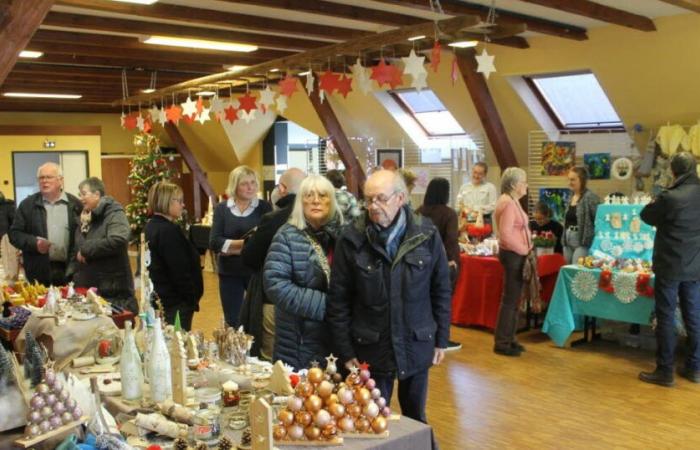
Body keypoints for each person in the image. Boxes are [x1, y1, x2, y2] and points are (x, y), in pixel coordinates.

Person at [326, 170, 451, 437]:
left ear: (401, 198)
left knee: (415, 420)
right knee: (371, 423)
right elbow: (338, 300)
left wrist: (442, 338)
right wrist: (346, 352)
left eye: (381, 199)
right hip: (370, 347)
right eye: (368, 200)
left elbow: (440, 289)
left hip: (416, 341)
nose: (373, 207)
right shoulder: (351, 238)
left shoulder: (427, 234)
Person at [263, 175, 344, 370]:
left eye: (323, 195)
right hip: (298, 339)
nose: (316, 200)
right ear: (301, 201)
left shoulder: (343, 235)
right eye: (309, 195)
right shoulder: (286, 235)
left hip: (336, 337)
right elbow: (276, 285)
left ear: (332, 201)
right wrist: (326, 305)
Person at [639, 152, 700, 387]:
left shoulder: (670, 197)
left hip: (670, 265)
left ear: (673, 171)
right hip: (695, 266)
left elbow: (646, 215)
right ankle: (694, 367)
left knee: (665, 317)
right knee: (694, 316)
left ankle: (665, 371)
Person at [240, 168, 306, 360]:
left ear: (282, 189)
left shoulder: (275, 219)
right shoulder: (319, 218)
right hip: (311, 302)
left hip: (275, 300)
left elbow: (250, 258)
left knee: (273, 361)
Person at [210, 166, 271, 327]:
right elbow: (214, 243)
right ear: (235, 185)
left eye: (253, 182)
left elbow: (266, 241)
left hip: (256, 272)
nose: (250, 187)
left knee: (257, 318)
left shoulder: (265, 207)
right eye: (244, 183)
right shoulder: (222, 209)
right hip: (230, 273)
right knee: (233, 321)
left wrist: (229, 247)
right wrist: (249, 243)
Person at [9, 163, 82, 286]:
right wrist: (34, 243)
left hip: (70, 271)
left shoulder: (75, 204)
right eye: (41, 178)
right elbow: (14, 234)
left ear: (61, 180)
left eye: (49, 177)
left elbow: (86, 234)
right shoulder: (27, 205)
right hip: (38, 272)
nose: (44, 181)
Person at [144, 181, 203, 331]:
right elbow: (179, 270)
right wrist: (191, 299)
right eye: (180, 201)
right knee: (177, 346)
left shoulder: (151, 226)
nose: (183, 205)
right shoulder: (168, 231)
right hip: (175, 303)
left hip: (163, 299)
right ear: (167, 202)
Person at [72, 177, 137, 313]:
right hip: (93, 287)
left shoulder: (114, 213)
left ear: (97, 194)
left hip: (113, 290)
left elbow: (118, 239)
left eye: (84, 194)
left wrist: (85, 250)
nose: (81, 198)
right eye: (80, 194)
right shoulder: (86, 218)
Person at [416, 177, 462, 352]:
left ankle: (426, 336)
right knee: (443, 301)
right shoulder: (449, 213)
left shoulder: (420, 211)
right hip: (443, 263)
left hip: (421, 262)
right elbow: (451, 240)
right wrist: (452, 261)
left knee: (425, 300)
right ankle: (443, 339)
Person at [493, 167, 531, 357]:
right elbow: (506, 234)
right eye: (524, 181)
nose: (526, 185)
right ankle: (502, 342)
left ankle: (510, 337)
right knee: (510, 300)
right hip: (514, 254)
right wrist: (524, 249)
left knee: (514, 299)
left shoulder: (511, 201)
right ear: (515, 185)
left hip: (516, 254)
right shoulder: (508, 203)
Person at [562, 167, 600, 264]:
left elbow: (598, 220)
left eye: (573, 179)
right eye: (569, 179)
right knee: (567, 270)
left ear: (582, 180)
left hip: (582, 242)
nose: (569, 182)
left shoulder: (590, 197)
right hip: (568, 240)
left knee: (576, 270)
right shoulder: (570, 196)